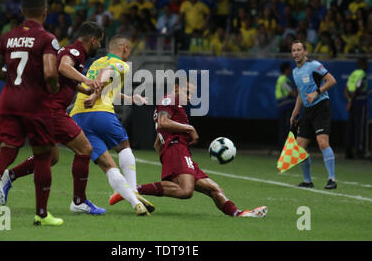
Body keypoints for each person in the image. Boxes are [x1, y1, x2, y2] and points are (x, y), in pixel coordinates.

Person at [110, 77, 267, 218]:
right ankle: (132, 190)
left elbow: (157, 142)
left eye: (192, 94)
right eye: (188, 92)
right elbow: (164, 122)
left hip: (180, 152)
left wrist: (168, 159)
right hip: (177, 149)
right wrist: (189, 129)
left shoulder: (174, 105)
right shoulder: (169, 99)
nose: (190, 98)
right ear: (177, 87)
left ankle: (238, 214)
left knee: (213, 188)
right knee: (186, 191)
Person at [0, 21, 107, 215]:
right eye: (100, 42)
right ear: (93, 40)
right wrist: (88, 79)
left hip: (44, 108)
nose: (100, 46)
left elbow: (66, 78)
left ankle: (9, 175)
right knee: (85, 149)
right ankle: (79, 201)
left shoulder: (71, 51)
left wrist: (86, 90)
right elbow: (64, 68)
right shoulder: (75, 52)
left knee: (51, 157)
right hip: (52, 110)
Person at [0, 0, 63, 227]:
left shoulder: (8, 37)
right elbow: (50, 73)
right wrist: (52, 89)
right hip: (35, 102)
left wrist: (13, 78)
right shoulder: (47, 39)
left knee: (7, 151)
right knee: (44, 155)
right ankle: (42, 214)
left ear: (22, 12)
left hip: (8, 101)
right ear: (45, 13)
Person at [70, 35, 154, 216]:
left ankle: (134, 203)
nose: (129, 54)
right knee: (124, 146)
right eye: (129, 50)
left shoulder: (96, 62)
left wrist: (130, 98)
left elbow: (102, 84)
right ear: (124, 48)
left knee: (108, 165)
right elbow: (106, 74)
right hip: (100, 113)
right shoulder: (121, 64)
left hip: (78, 116)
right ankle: (134, 191)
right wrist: (94, 96)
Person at [289, 40, 338, 190]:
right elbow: (300, 94)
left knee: (322, 142)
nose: (296, 53)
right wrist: (295, 112)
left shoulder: (314, 66)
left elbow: (332, 81)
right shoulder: (295, 72)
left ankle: (332, 179)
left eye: (298, 50)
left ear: (305, 52)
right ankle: (307, 181)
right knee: (299, 147)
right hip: (307, 111)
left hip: (321, 106)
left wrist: (317, 93)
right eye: (293, 50)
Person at [344, 57, 369, 159]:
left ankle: (348, 151)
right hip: (359, 104)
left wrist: (349, 100)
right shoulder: (362, 74)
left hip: (352, 104)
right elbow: (358, 89)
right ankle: (359, 151)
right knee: (360, 128)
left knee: (351, 127)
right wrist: (351, 101)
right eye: (366, 64)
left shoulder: (353, 74)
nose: (367, 66)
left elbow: (345, 89)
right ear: (363, 64)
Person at [275, 62, 296, 151]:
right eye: (289, 68)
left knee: (284, 128)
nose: (291, 70)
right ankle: (284, 150)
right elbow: (292, 93)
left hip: (283, 107)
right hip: (286, 107)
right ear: (286, 69)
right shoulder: (283, 80)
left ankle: (283, 149)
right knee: (285, 128)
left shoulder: (282, 79)